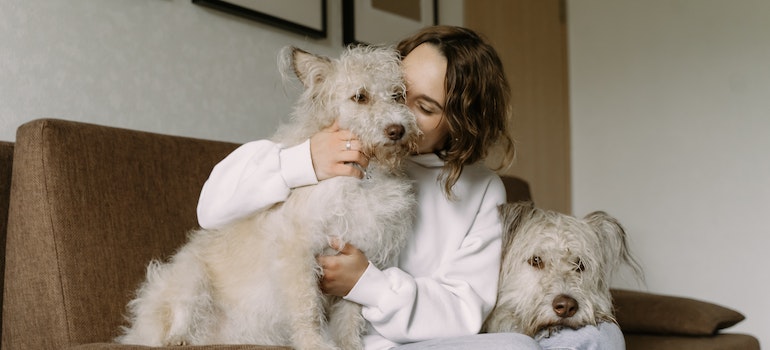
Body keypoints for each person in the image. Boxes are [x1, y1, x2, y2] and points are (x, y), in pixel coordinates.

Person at [197, 26, 624, 350]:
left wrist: (367, 283)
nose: (395, 116)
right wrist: (304, 160)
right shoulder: (330, 140)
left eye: (423, 108)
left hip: (416, 341)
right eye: (397, 91)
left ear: (461, 121)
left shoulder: (480, 190)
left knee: (600, 337)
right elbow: (211, 208)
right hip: (334, 339)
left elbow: (464, 310)